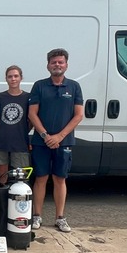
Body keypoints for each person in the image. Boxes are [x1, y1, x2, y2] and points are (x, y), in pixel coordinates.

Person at [28, 48, 84, 233]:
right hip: (41, 141)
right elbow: (32, 113)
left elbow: (78, 115)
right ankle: (36, 216)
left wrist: (59, 136)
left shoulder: (74, 87)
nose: (57, 65)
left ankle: (60, 218)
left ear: (66, 65)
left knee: (60, 179)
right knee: (41, 178)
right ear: (48, 65)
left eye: (60, 62)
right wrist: (45, 135)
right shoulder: (39, 86)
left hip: (64, 141)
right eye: (54, 62)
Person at [0, 65, 31, 185]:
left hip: (21, 143)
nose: (13, 79)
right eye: (10, 76)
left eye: (16, 76)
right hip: (2, 142)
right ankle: (3, 202)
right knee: (2, 177)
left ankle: (18, 202)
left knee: (21, 179)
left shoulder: (28, 98)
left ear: (21, 78)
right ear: (6, 79)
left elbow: (30, 121)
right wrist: (3, 132)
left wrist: (22, 131)